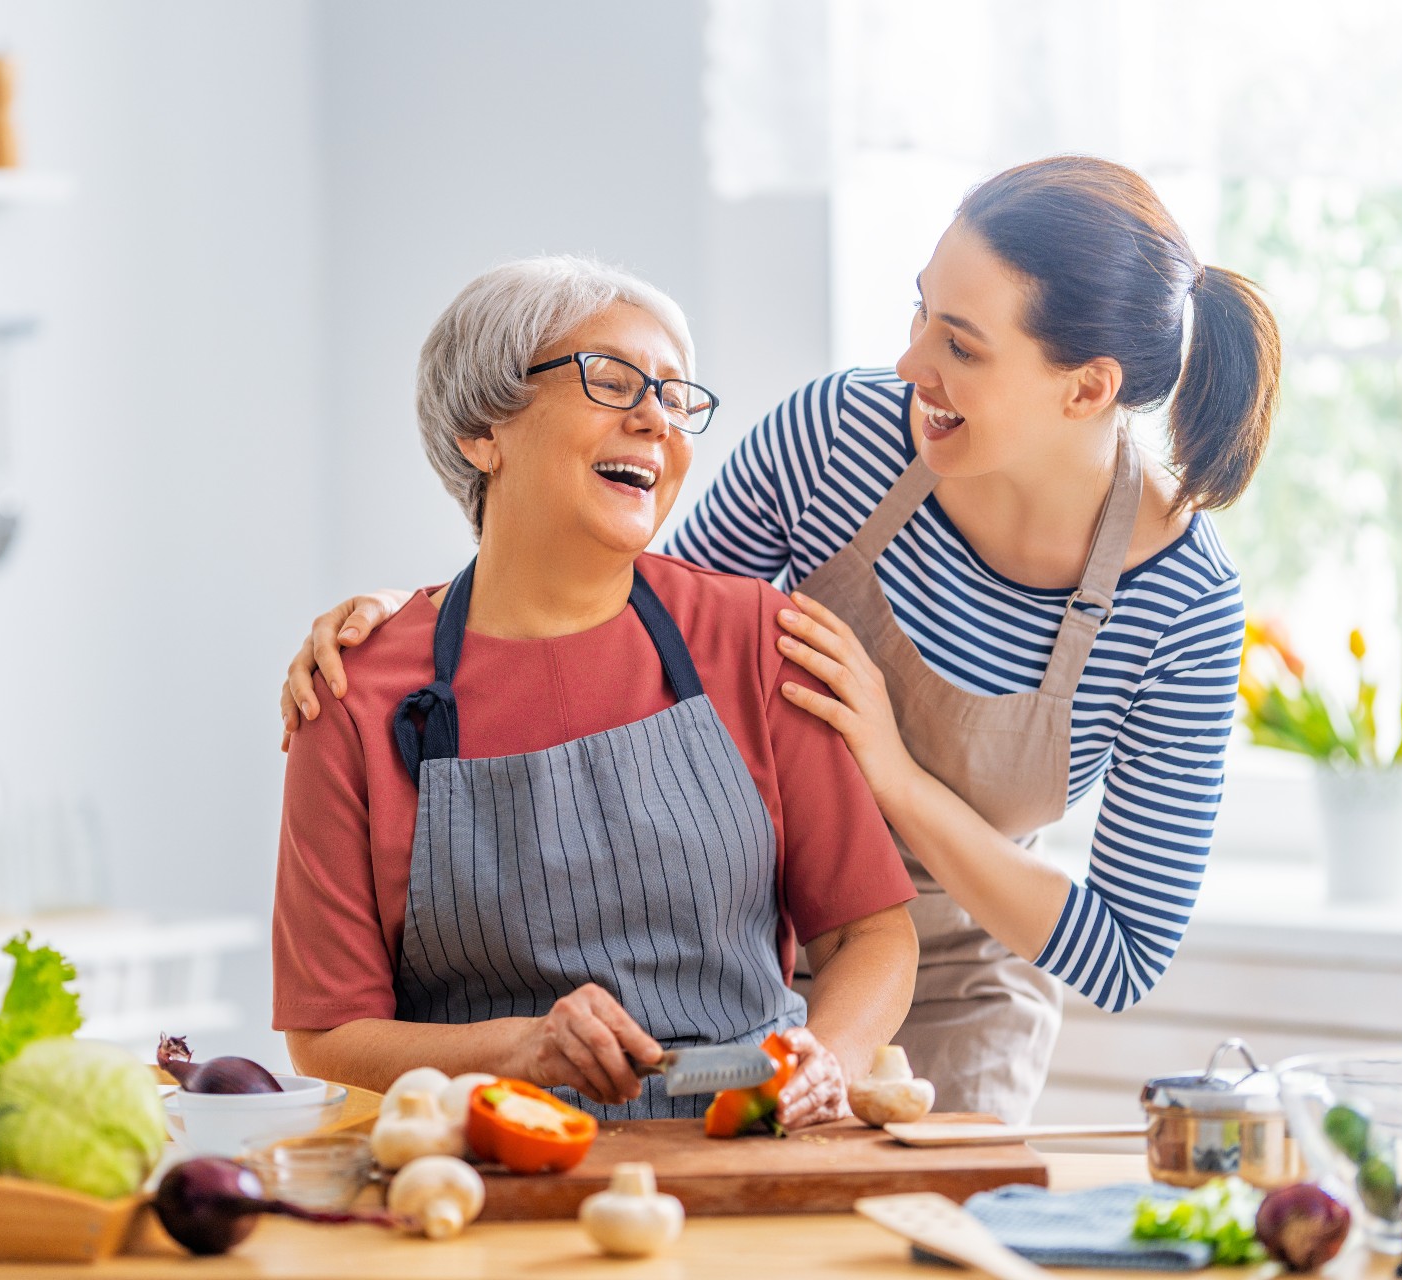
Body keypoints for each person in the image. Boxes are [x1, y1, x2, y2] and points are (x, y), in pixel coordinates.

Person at [280, 156, 1282, 1123]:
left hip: (951, 966)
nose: (910, 363)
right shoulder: (843, 436)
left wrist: (892, 771)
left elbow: (1122, 952)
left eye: (963, 346)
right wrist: (418, 620)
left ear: (1088, 387)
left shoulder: (1184, 604)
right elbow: (625, 606)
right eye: (920, 309)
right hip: (743, 918)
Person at [274, 256, 919, 1127]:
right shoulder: (353, 693)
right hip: (494, 1179)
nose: (656, 418)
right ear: (481, 430)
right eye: (611, 381)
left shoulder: (758, 639)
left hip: (756, 1151)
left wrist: (827, 1064)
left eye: (674, 396)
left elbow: (869, 935)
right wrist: (518, 1049)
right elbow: (330, 1034)